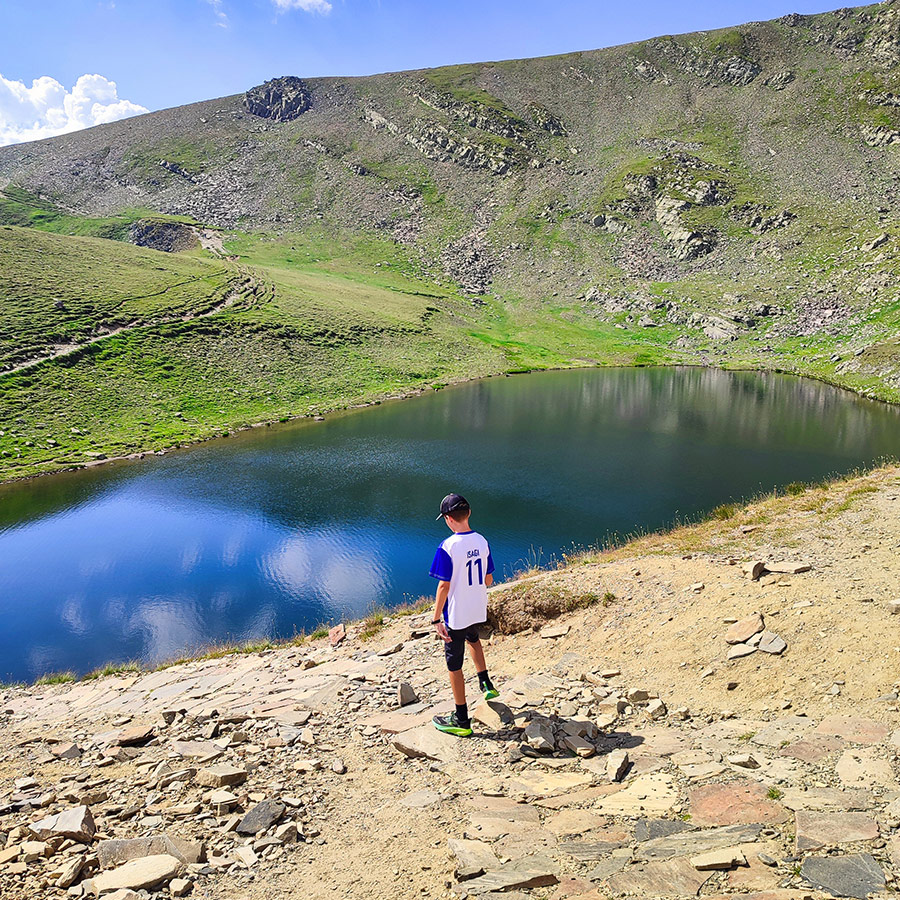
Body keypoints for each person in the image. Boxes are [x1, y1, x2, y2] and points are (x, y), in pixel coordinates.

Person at [429, 493, 498, 737]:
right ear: (468, 514)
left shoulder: (447, 547)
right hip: (476, 608)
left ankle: (461, 719)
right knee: (474, 640)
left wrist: (437, 618)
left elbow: (443, 586)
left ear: (448, 519)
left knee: (454, 665)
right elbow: (488, 578)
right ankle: (485, 683)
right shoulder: (482, 541)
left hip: (456, 614)